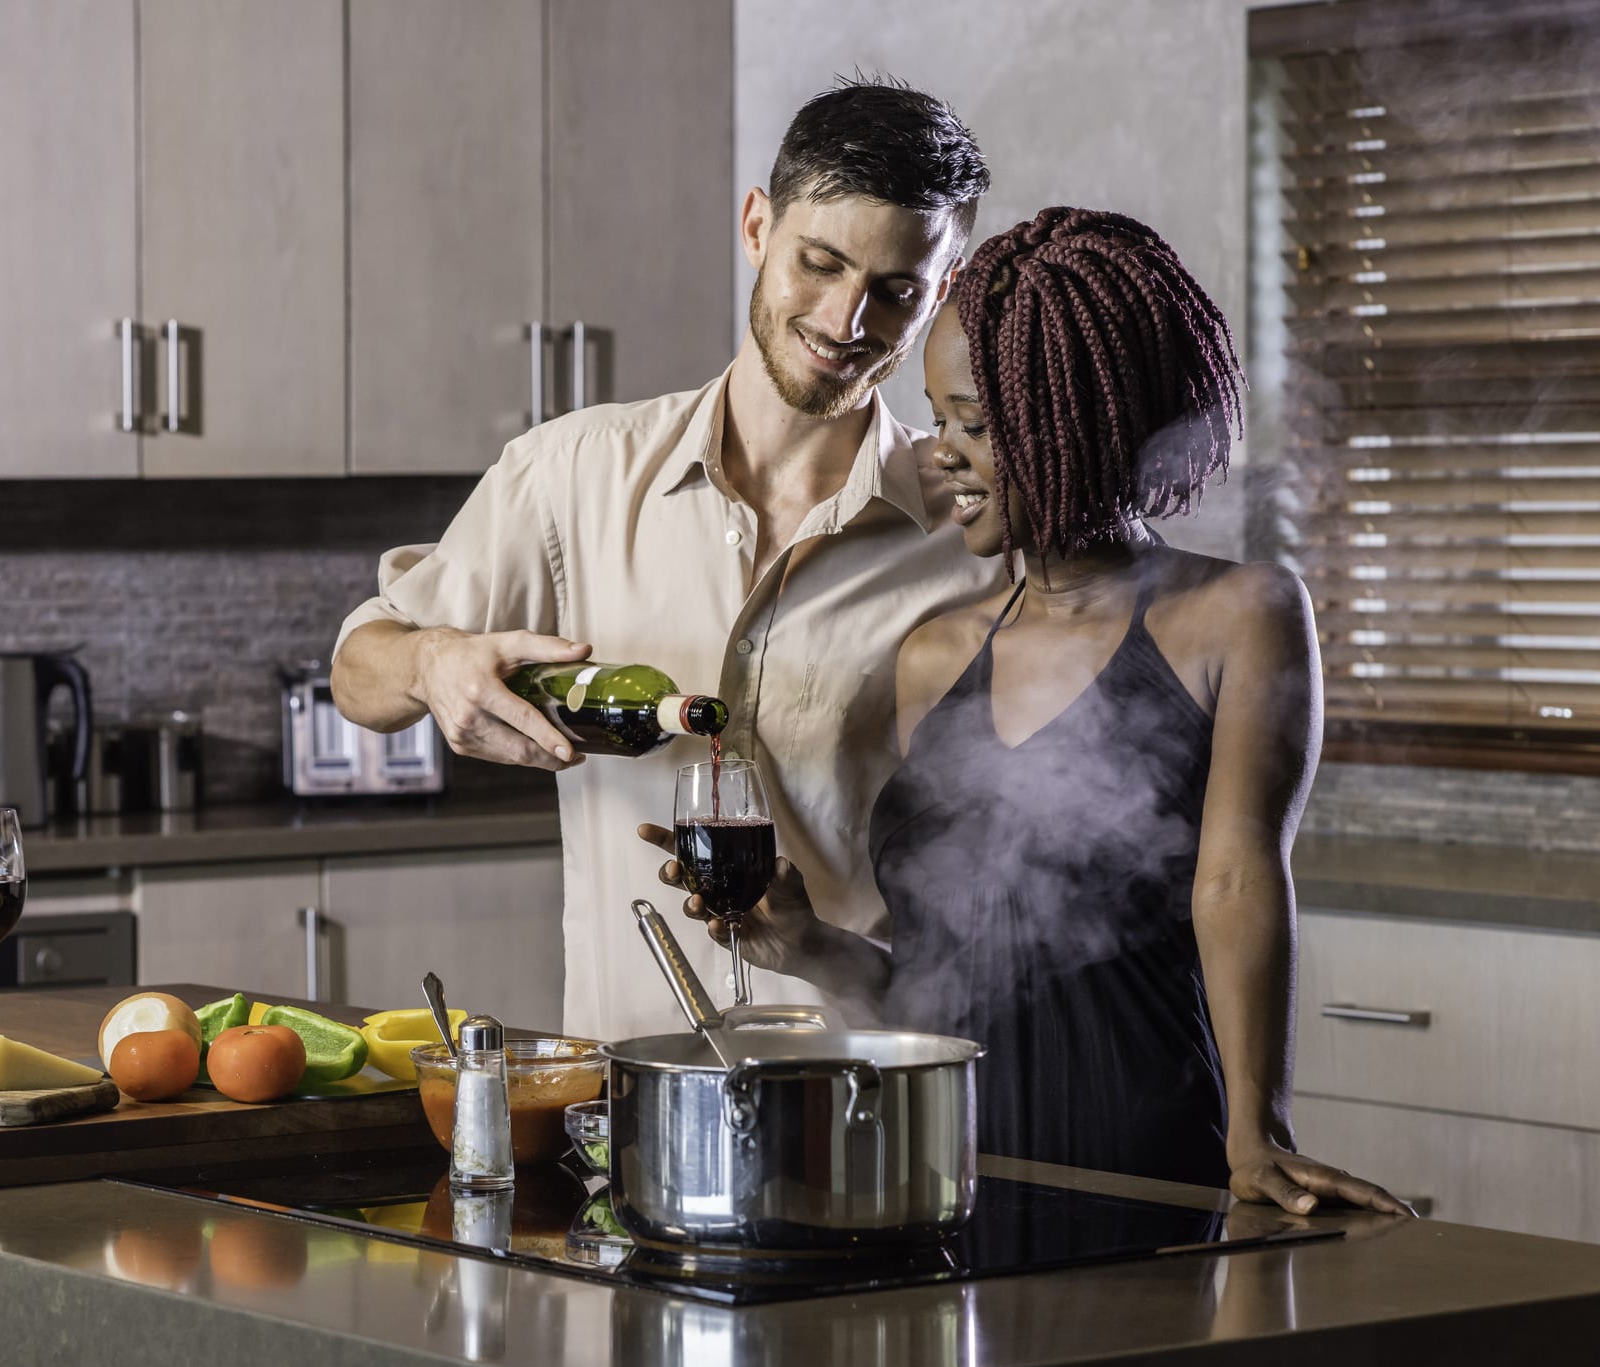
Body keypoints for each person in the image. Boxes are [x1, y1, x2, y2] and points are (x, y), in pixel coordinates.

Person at [645, 207, 1409, 1214]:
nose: (941, 454)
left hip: (1142, 1159)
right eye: (937, 418)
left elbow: (1233, 881)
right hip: (936, 1165)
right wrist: (809, 945)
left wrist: (1255, 1130)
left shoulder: (1236, 616)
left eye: (974, 425)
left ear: (1078, 428)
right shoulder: (933, 653)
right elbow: (938, 983)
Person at [331, 81, 1002, 1041]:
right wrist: (431, 660)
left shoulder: (972, 531)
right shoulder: (571, 472)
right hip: (623, 1101)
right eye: (819, 263)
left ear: (941, 288)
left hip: (864, 1102)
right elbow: (359, 671)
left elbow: (995, 909)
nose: (848, 322)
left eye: (895, 291)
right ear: (756, 227)